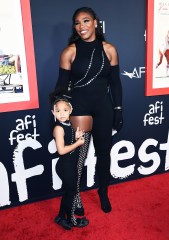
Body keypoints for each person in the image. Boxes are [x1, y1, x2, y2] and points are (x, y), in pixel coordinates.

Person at [55, 7, 123, 214]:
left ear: (95, 22)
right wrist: (60, 112)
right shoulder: (70, 51)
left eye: (86, 21)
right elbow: (60, 87)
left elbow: (115, 83)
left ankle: (103, 193)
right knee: (78, 157)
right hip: (80, 110)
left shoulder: (109, 49)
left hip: (103, 109)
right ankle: (75, 197)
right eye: (77, 23)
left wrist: (118, 109)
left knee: (104, 154)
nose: (81, 26)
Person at [50, 90, 89, 230]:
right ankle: (72, 220)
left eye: (65, 110)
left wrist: (77, 137)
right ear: (53, 112)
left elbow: (70, 145)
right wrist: (78, 143)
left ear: (70, 110)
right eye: (58, 110)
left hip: (70, 165)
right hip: (65, 166)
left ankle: (60, 217)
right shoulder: (58, 128)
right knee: (71, 193)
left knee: (68, 193)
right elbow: (61, 150)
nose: (62, 113)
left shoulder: (69, 125)